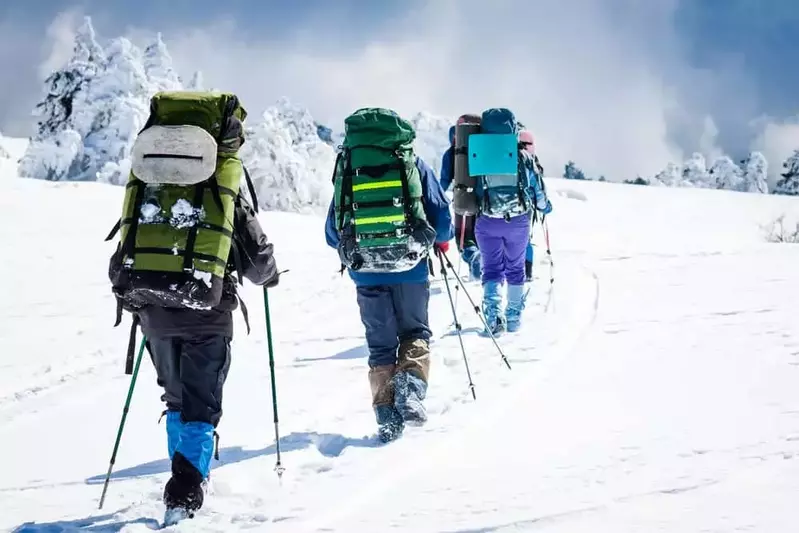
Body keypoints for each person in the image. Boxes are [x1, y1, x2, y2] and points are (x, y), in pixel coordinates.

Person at [107, 91, 280, 520]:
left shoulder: (149, 178)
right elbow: (258, 260)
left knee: (177, 399)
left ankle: (186, 474)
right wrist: (270, 275)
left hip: (153, 309)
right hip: (207, 310)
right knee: (201, 405)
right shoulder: (222, 186)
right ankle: (184, 493)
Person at [326, 108, 453, 443]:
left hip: (365, 271)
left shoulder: (348, 168)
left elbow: (332, 232)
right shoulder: (412, 164)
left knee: (380, 346)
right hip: (410, 266)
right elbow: (442, 219)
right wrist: (437, 241)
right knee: (415, 331)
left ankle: (386, 416)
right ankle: (411, 389)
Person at [473, 110, 552, 335]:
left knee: (491, 269)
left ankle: (493, 315)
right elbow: (539, 193)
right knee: (515, 269)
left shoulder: (478, 154)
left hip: (486, 221)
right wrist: (546, 208)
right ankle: (514, 317)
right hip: (517, 221)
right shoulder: (523, 157)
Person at [440, 118, 481, 280]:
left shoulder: (453, 153)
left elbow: (444, 181)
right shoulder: (483, 148)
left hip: (463, 200)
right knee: (482, 236)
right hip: (485, 201)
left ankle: (474, 260)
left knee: (464, 238)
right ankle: (483, 265)